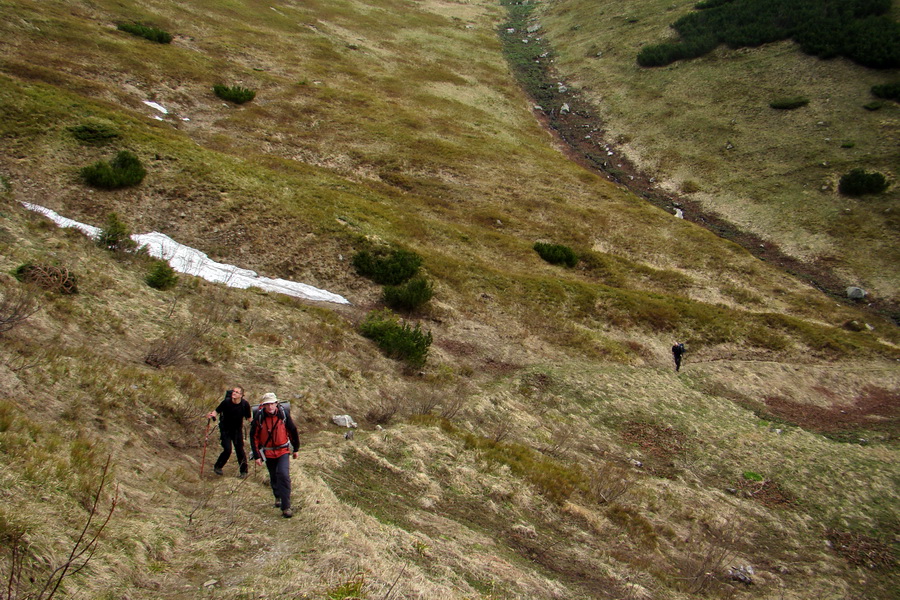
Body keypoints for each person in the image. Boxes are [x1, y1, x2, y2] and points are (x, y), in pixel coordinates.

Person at [250, 392, 300, 518]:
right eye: (267, 404)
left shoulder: (283, 415)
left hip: (283, 451)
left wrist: (296, 449)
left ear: (276, 404)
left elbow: (292, 430)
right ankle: (277, 496)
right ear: (264, 405)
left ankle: (286, 506)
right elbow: (254, 437)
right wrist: (257, 456)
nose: (270, 407)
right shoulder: (259, 418)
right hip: (268, 452)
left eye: (272, 404)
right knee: (273, 476)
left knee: (283, 474)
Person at [207, 386, 252, 477]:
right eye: (233, 391)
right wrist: (212, 415)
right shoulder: (226, 402)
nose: (234, 393)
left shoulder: (245, 405)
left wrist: (256, 424)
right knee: (227, 449)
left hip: (237, 430)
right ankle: (218, 466)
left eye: (236, 392)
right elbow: (216, 411)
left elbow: (249, 418)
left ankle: (244, 471)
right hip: (225, 429)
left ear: (241, 395)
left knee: (240, 450)